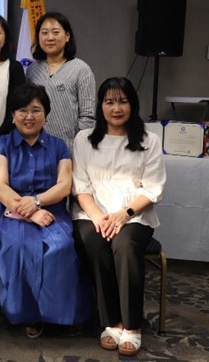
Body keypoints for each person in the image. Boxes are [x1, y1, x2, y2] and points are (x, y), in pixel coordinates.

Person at [0, 83, 93, 339]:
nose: (29, 116)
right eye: (22, 110)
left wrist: (37, 202)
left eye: (36, 110)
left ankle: (59, 314)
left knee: (60, 247)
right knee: (18, 246)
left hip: (52, 210)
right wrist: (30, 211)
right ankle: (27, 314)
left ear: (46, 114)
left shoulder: (58, 146)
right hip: (9, 212)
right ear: (12, 115)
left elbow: (64, 185)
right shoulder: (1, 144)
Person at [72, 77, 166, 357]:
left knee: (124, 246)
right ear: (100, 105)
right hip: (92, 212)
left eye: (122, 101)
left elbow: (153, 188)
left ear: (132, 104)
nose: (116, 108)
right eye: (109, 101)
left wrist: (123, 214)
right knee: (95, 243)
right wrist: (98, 216)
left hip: (135, 214)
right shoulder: (84, 139)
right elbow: (81, 185)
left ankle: (132, 326)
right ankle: (111, 321)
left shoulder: (149, 140)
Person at [26, 12, 96, 152]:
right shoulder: (32, 70)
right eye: (44, 33)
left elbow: (88, 116)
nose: (50, 37)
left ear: (67, 36)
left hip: (70, 149)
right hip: (35, 148)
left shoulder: (81, 69)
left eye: (56, 32)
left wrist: (77, 146)